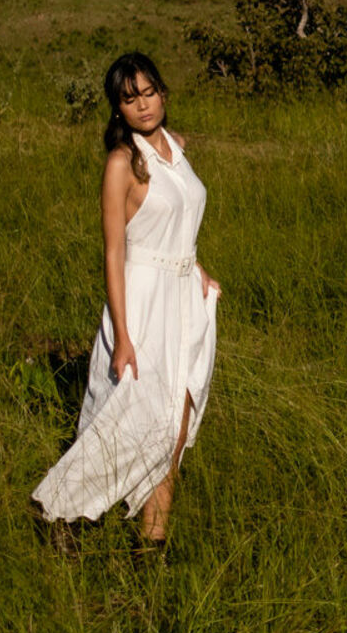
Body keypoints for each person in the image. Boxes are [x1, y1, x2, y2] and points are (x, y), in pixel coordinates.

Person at [30, 52, 220, 547]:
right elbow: (115, 252)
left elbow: (178, 221)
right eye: (130, 98)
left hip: (183, 300)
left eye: (149, 92)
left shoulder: (178, 148)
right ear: (118, 109)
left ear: (164, 93)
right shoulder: (122, 163)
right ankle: (61, 511)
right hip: (142, 300)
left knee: (175, 429)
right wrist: (122, 336)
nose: (143, 106)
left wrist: (196, 269)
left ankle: (153, 542)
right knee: (132, 420)